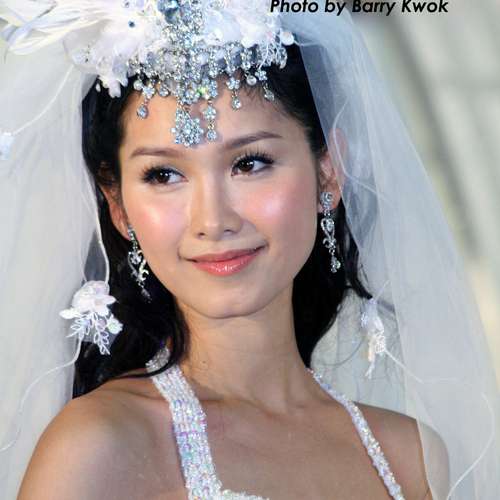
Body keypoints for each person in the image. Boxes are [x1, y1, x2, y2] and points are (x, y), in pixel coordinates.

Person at [0, 2, 498, 499]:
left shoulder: (409, 457)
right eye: (164, 175)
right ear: (119, 208)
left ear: (328, 173)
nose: (213, 220)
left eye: (250, 163)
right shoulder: (100, 447)